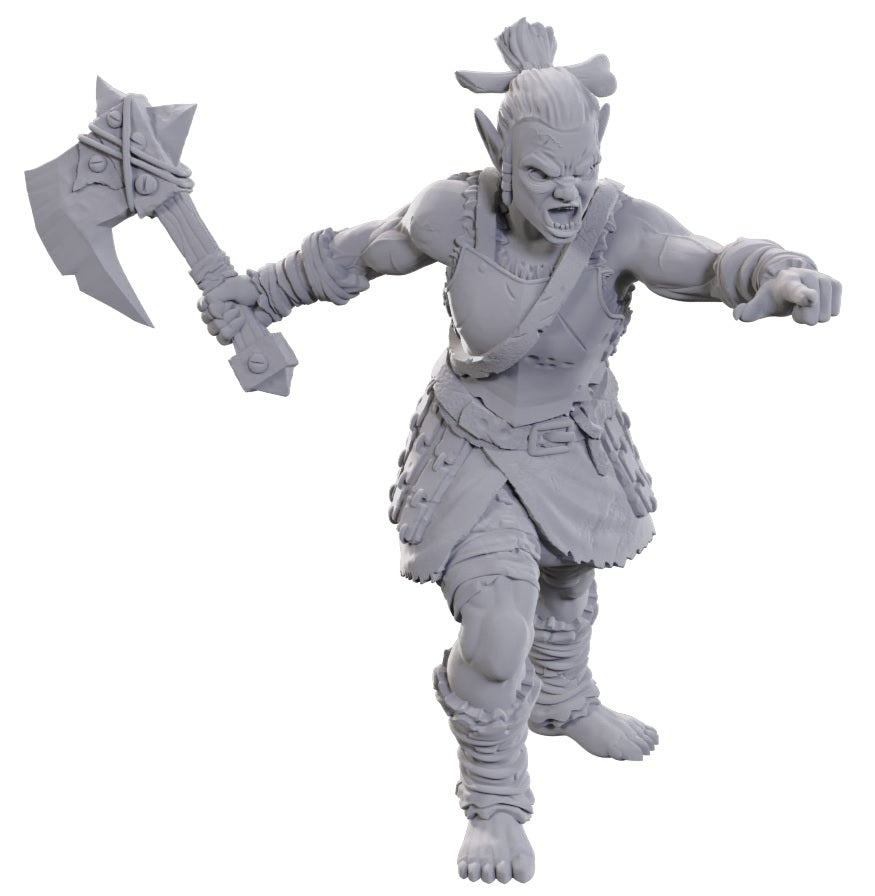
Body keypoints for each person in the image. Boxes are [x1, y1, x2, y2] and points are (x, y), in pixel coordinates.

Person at [200, 18, 840, 885]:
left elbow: (705, 261)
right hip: (470, 446)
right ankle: (494, 801)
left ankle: (565, 701)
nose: (566, 193)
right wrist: (258, 295)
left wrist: (776, 272)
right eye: (541, 173)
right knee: (497, 627)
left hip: (574, 442)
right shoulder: (452, 213)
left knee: (568, 581)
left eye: (582, 170)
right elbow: (354, 255)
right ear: (499, 157)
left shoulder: (618, 225)